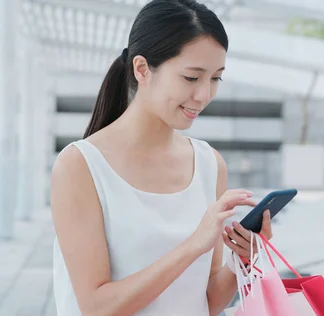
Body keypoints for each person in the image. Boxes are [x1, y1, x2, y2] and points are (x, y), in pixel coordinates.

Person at [49, 0, 273, 315]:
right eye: (192, 78)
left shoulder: (209, 164)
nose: (204, 95)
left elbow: (205, 302)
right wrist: (194, 245)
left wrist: (245, 258)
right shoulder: (81, 166)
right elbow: (96, 307)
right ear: (142, 69)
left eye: (215, 78)